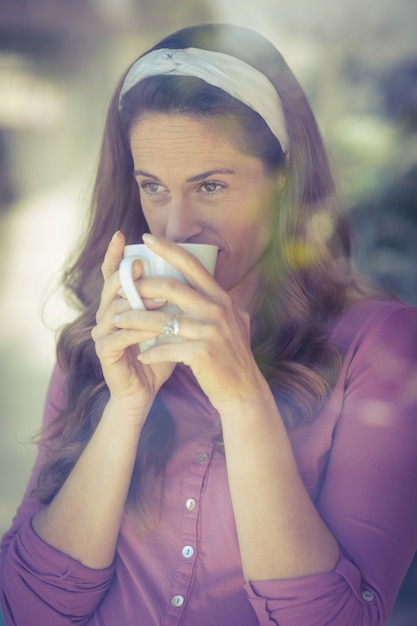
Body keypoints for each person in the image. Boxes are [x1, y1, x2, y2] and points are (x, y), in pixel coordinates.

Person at [1, 22, 416, 626]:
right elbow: (28, 608)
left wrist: (245, 397)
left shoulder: (381, 348)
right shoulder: (102, 342)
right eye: (153, 187)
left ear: (285, 184)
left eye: (212, 185)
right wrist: (125, 408)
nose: (175, 229)